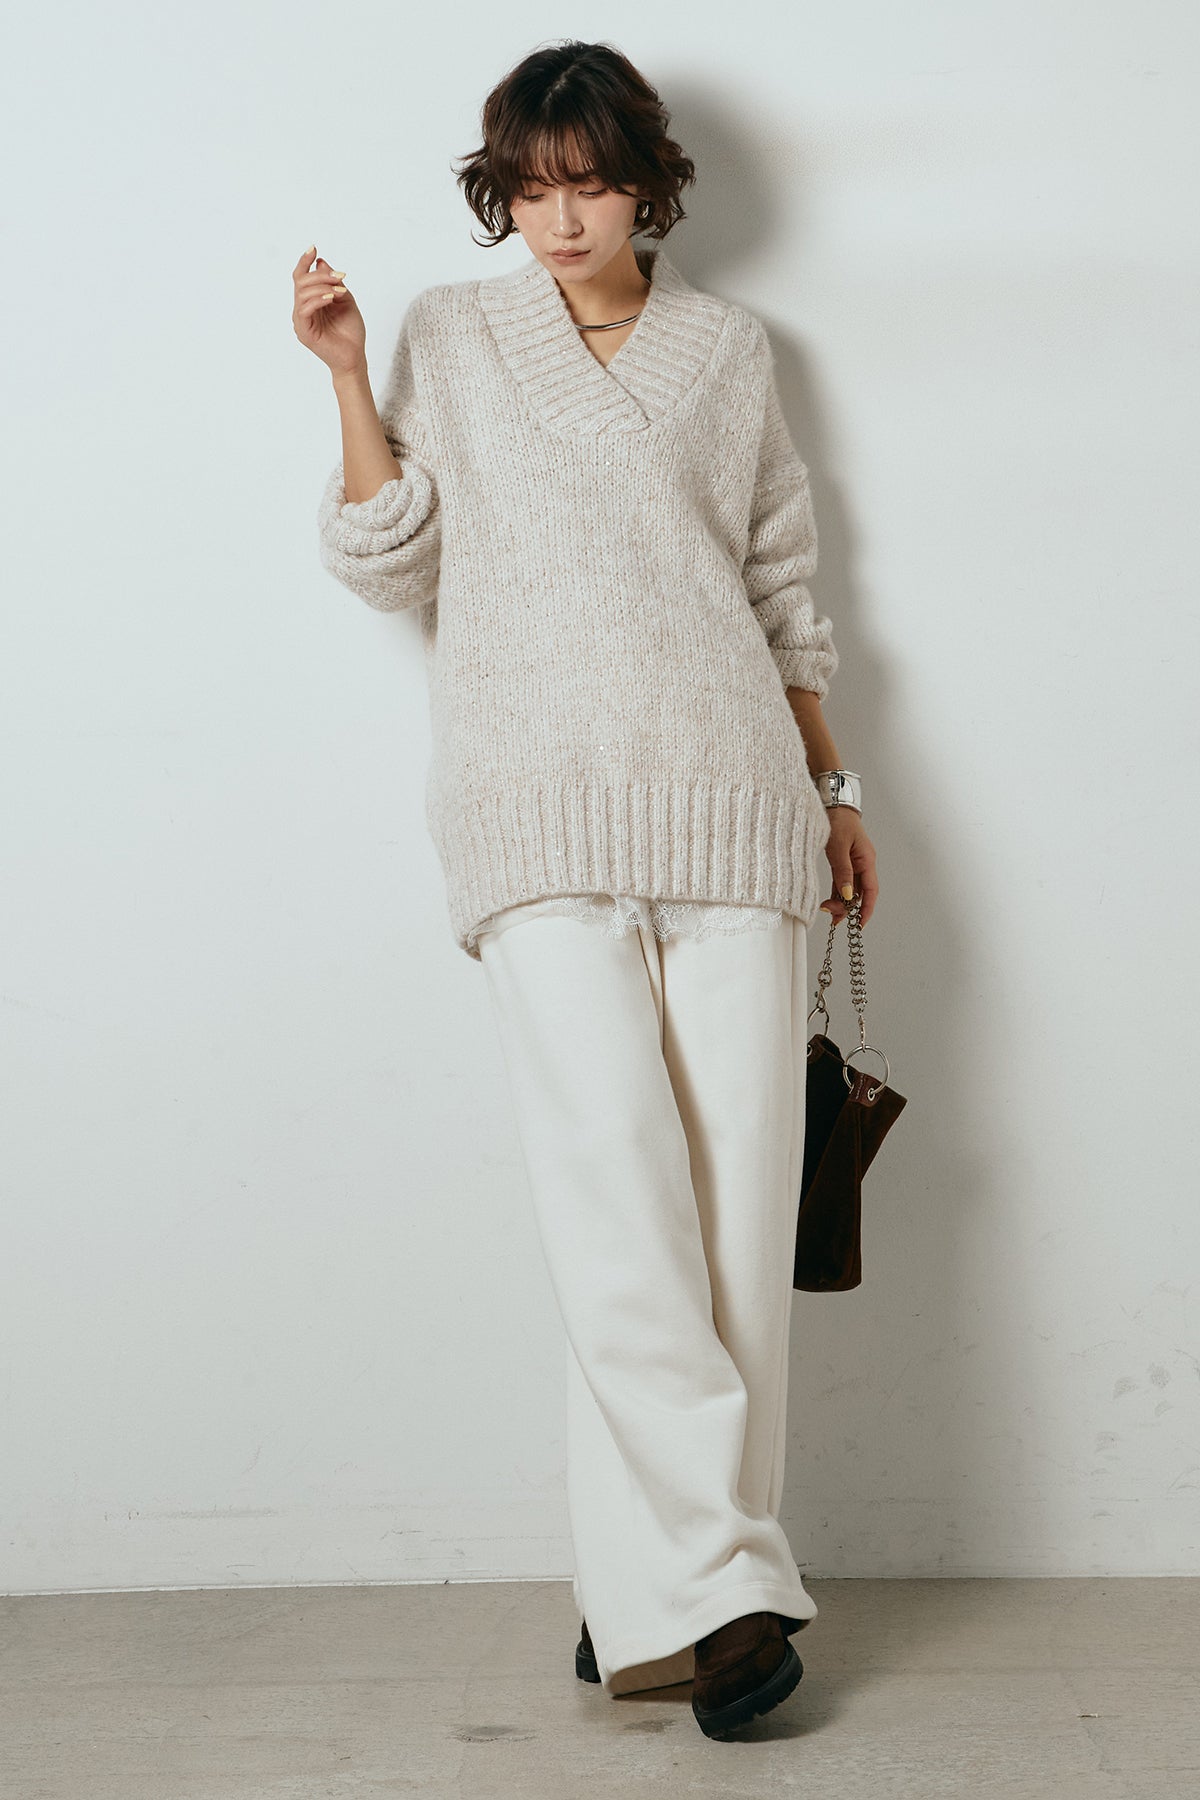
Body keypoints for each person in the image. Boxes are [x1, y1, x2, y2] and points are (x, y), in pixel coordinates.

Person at [294, 38, 879, 1740]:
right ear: (503, 196)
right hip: (534, 818)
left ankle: (656, 1595)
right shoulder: (451, 336)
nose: (561, 220)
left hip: (737, 812)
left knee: (735, 1224)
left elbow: (779, 582)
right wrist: (348, 378)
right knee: (616, 1202)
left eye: (591, 185)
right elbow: (388, 557)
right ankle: (725, 1588)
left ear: (646, 186)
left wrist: (834, 789)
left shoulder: (728, 350)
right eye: (532, 190)